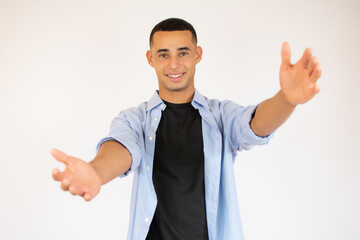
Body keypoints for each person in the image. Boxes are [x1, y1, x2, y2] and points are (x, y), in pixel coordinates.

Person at [51, 18, 321, 240]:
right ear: (150, 58)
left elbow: (254, 126)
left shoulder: (220, 116)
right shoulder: (134, 119)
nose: (174, 65)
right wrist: (96, 172)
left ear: (197, 54)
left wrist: (287, 99)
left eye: (182, 53)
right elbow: (123, 149)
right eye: (163, 55)